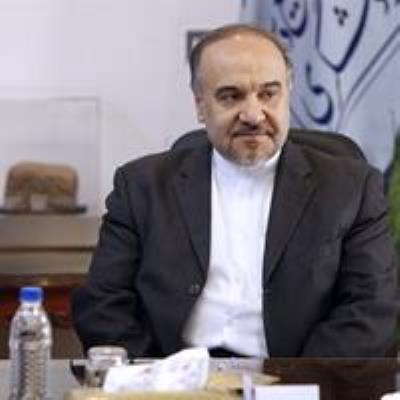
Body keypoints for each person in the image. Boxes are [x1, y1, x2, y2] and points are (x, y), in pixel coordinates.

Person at [72, 24, 398, 358]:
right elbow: (103, 304)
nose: (253, 115)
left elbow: (371, 309)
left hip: (298, 374)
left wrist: (298, 380)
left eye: (268, 94)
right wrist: (158, 378)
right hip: (174, 375)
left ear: (288, 94)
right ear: (200, 106)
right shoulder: (141, 186)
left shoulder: (351, 189)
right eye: (231, 96)